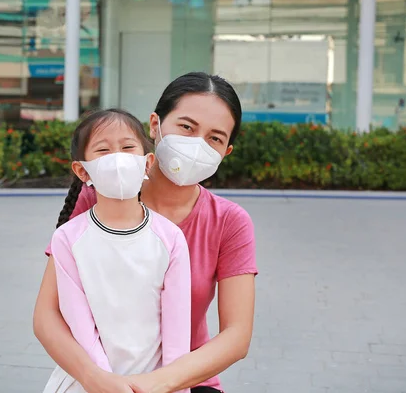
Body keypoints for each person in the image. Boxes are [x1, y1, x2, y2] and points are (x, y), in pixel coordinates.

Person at [34, 72, 257, 393]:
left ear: (226, 152)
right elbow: (47, 315)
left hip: (186, 380)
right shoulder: (99, 198)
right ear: (155, 125)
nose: (197, 145)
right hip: (100, 375)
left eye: (215, 138)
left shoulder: (229, 221)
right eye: (186, 127)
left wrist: (158, 384)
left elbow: (237, 336)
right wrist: (94, 378)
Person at [41, 109, 192, 393]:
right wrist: (105, 383)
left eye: (127, 147)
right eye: (103, 150)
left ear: (147, 162)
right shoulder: (68, 239)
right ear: (82, 170)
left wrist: (172, 387)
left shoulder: (170, 238)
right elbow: (79, 325)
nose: (118, 158)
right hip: (84, 384)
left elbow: (177, 335)